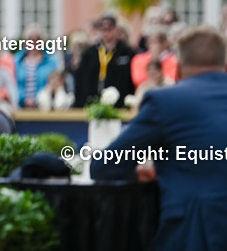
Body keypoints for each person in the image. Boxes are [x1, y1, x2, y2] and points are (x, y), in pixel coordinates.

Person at [91, 26, 227, 251]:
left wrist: (149, 171)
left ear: (179, 70)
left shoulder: (166, 101)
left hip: (196, 232)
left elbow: (105, 167)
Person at [74, 15, 135, 107]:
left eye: (110, 29)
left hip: (119, 104)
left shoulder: (127, 52)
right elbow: (80, 80)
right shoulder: (90, 53)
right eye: (103, 29)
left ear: (116, 29)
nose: (106, 33)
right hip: (93, 103)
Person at [15, 26, 62, 108]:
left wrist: (38, 98)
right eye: (30, 40)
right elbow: (13, 83)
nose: (34, 43)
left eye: (37, 40)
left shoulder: (53, 61)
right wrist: (24, 98)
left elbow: (56, 82)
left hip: (45, 106)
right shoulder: (16, 61)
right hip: (20, 106)